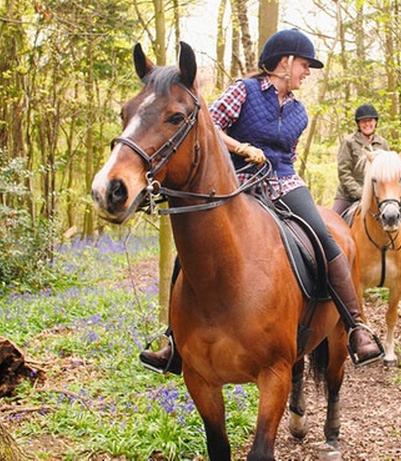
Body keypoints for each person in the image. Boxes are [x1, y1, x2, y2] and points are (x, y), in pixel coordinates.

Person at [140, 29, 384, 373]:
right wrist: (242, 149)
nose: (307, 72)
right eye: (304, 64)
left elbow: (290, 155)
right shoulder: (244, 90)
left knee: (325, 239)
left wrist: (286, 174)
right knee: (193, 248)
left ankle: (357, 326)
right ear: (284, 62)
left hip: (284, 181)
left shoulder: (300, 112)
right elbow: (207, 127)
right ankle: (174, 341)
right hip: (236, 182)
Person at [331, 104, 390, 215]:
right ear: (358, 124)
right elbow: (344, 173)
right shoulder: (349, 142)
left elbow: (387, 173)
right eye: (363, 121)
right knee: (329, 225)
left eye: (370, 121)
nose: (367, 124)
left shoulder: (383, 143)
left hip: (378, 196)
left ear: (375, 122)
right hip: (348, 197)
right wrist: (362, 193)